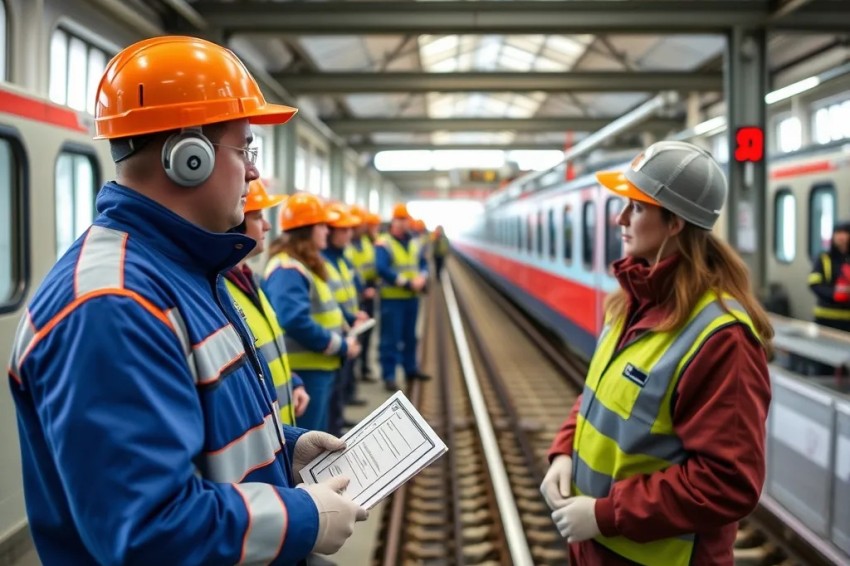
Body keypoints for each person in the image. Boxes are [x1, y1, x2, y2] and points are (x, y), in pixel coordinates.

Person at [7, 36, 367, 565]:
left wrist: (286, 449)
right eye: (245, 148)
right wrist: (302, 518)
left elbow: (202, 440)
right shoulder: (112, 306)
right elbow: (149, 532)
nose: (253, 172)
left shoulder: (185, 272)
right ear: (188, 156)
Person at [540, 141, 773, 566]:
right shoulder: (629, 304)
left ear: (674, 224)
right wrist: (563, 451)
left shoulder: (722, 339)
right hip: (599, 552)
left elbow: (728, 483)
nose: (620, 219)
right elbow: (598, 397)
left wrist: (605, 513)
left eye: (638, 208)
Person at [264, 192, 361, 433]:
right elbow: (293, 319)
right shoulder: (288, 269)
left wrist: (347, 323)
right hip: (306, 372)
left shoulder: (305, 265)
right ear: (307, 230)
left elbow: (325, 309)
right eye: (322, 225)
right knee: (311, 446)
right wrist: (339, 345)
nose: (327, 231)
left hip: (318, 368)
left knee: (320, 438)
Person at [224, 179, 310, 425]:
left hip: (281, 433)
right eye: (258, 217)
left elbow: (264, 351)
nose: (268, 225)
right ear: (235, 224)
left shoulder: (249, 279)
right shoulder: (220, 290)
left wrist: (292, 382)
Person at [322, 203, 370, 436]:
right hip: (330, 338)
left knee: (339, 388)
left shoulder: (341, 259)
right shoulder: (321, 262)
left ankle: (338, 427)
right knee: (330, 396)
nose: (349, 234)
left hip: (345, 329)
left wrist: (352, 317)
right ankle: (334, 430)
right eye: (343, 229)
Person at [375, 203, 430, 391]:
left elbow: (423, 262)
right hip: (392, 299)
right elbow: (382, 268)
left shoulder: (415, 242)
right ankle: (389, 375)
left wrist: (423, 276)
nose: (403, 223)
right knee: (390, 338)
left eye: (405, 219)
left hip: (411, 298)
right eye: (400, 220)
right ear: (394, 221)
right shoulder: (384, 242)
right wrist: (406, 283)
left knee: (410, 336)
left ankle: (410, 368)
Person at [347, 207, 381, 382]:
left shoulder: (367, 243)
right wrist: (362, 290)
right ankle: (352, 379)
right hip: (355, 297)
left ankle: (364, 368)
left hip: (368, 293)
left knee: (366, 336)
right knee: (355, 338)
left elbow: (372, 266)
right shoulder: (347, 247)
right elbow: (349, 274)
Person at [808, 220, 850, 332]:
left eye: (845, 232)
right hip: (825, 318)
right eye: (838, 232)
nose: (841, 236)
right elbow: (814, 283)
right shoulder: (824, 258)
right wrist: (834, 294)